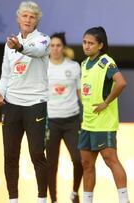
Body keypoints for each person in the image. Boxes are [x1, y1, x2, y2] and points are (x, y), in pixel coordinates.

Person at [0, 1, 50, 203]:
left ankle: (42, 198)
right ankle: (13, 199)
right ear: (18, 18)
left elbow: (36, 51)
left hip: (35, 103)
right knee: (10, 155)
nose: (27, 19)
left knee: (36, 154)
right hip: (12, 104)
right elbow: (5, 73)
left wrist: (21, 47)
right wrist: (0, 92)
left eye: (32, 17)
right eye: (24, 16)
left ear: (37, 21)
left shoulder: (43, 40)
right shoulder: (10, 43)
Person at [78, 26, 130, 203]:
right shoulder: (84, 64)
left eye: (91, 43)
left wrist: (106, 102)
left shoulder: (106, 62)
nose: (86, 46)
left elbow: (121, 83)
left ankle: (124, 199)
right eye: (84, 42)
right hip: (87, 123)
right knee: (86, 164)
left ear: (100, 45)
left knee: (110, 160)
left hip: (104, 122)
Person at [46, 32, 83, 203]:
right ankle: (53, 200)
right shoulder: (43, 67)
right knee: (51, 164)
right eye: (52, 45)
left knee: (79, 159)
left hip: (71, 119)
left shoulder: (74, 67)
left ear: (64, 47)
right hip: (51, 120)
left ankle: (75, 193)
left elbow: (81, 93)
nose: (55, 49)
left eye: (58, 45)